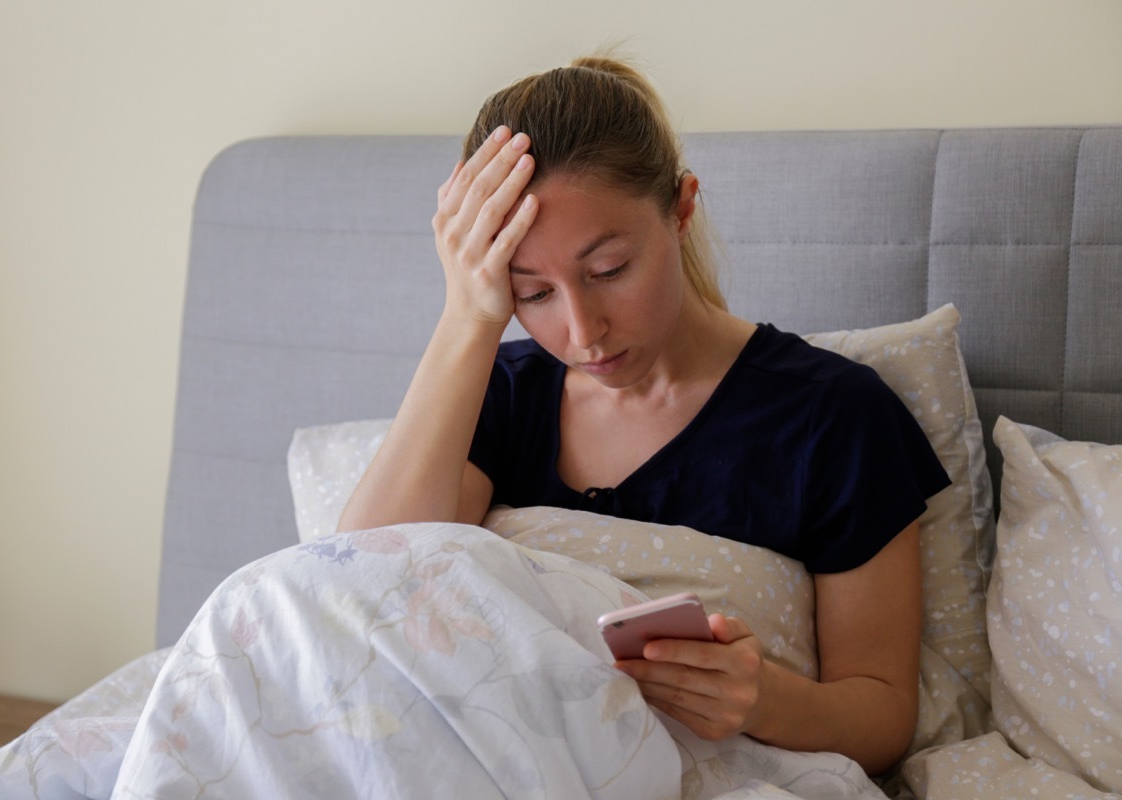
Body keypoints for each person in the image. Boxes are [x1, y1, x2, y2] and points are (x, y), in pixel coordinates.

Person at [338, 56, 951, 776]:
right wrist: (466, 316)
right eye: (531, 294)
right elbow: (357, 580)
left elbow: (883, 717)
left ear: (682, 208)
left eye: (608, 271)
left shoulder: (831, 416)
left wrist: (763, 700)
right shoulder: (498, 395)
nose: (582, 330)